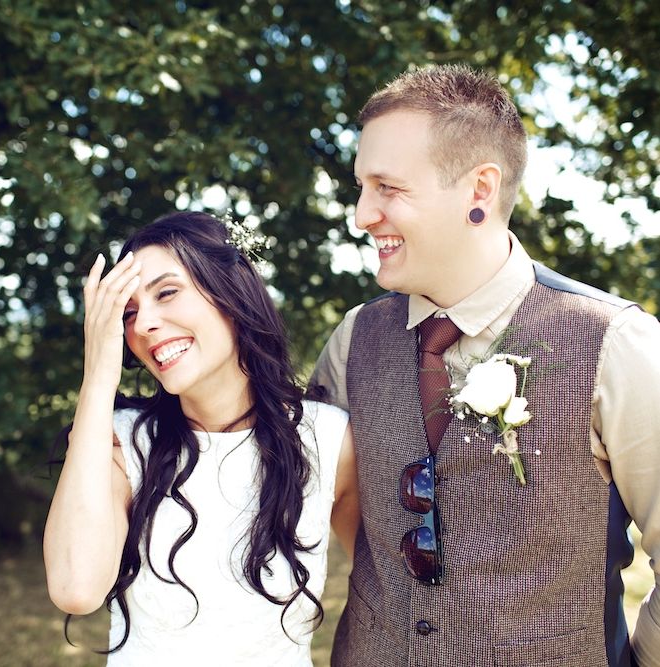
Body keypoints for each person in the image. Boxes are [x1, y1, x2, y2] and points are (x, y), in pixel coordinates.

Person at [310, 64, 660, 667]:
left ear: (480, 190)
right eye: (361, 187)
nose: (361, 214)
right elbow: (324, 505)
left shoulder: (618, 344)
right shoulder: (352, 342)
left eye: (387, 188)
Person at [43, 211, 359, 666]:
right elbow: (76, 589)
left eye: (166, 293)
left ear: (232, 295)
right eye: (127, 313)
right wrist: (97, 375)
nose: (143, 324)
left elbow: (385, 593)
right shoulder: (119, 442)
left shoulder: (327, 439)